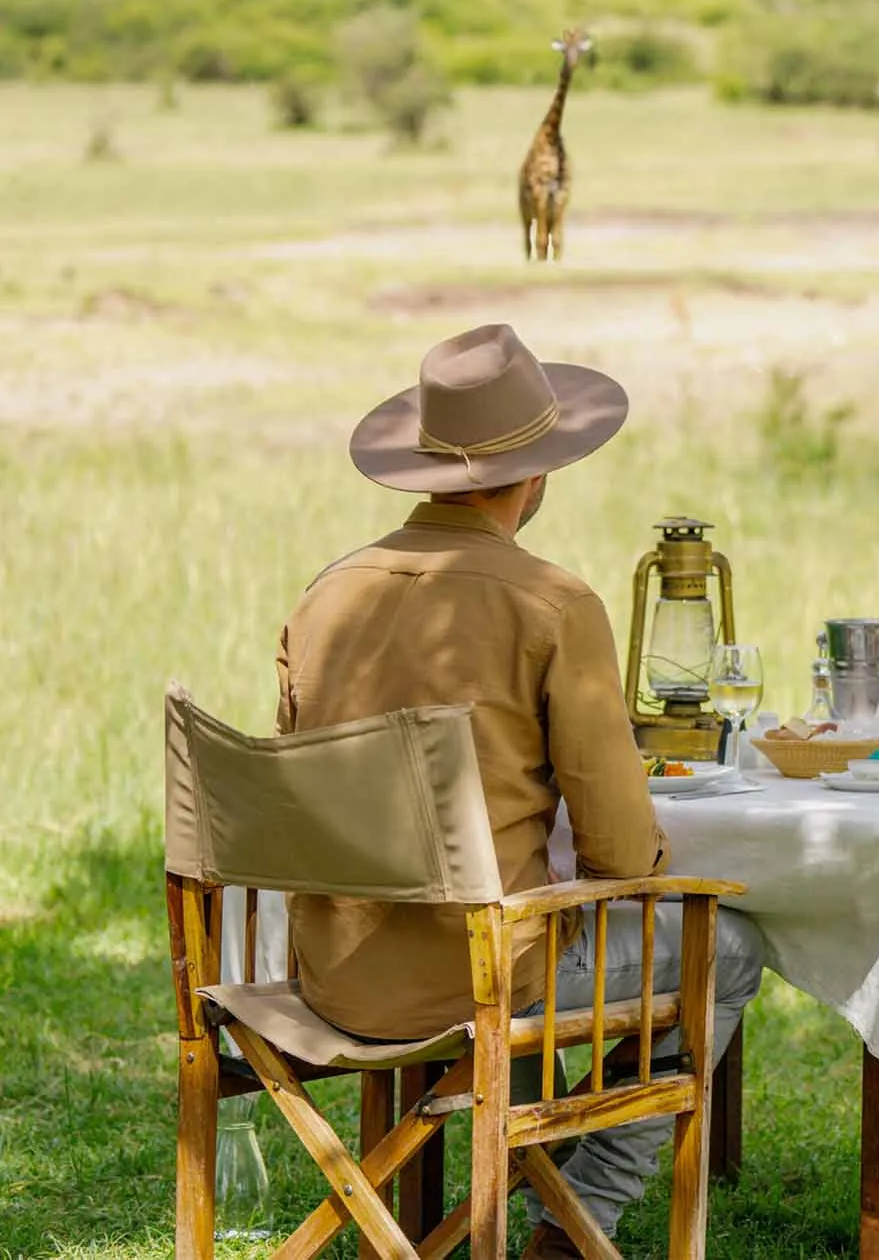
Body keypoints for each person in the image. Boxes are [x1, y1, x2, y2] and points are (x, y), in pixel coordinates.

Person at [273, 323, 765, 1259]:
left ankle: (532, 1183)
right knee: (727, 948)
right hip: (483, 978)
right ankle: (574, 1222)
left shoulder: (323, 595)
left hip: (331, 973)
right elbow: (622, 853)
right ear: (538, 475)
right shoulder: (552, 602)